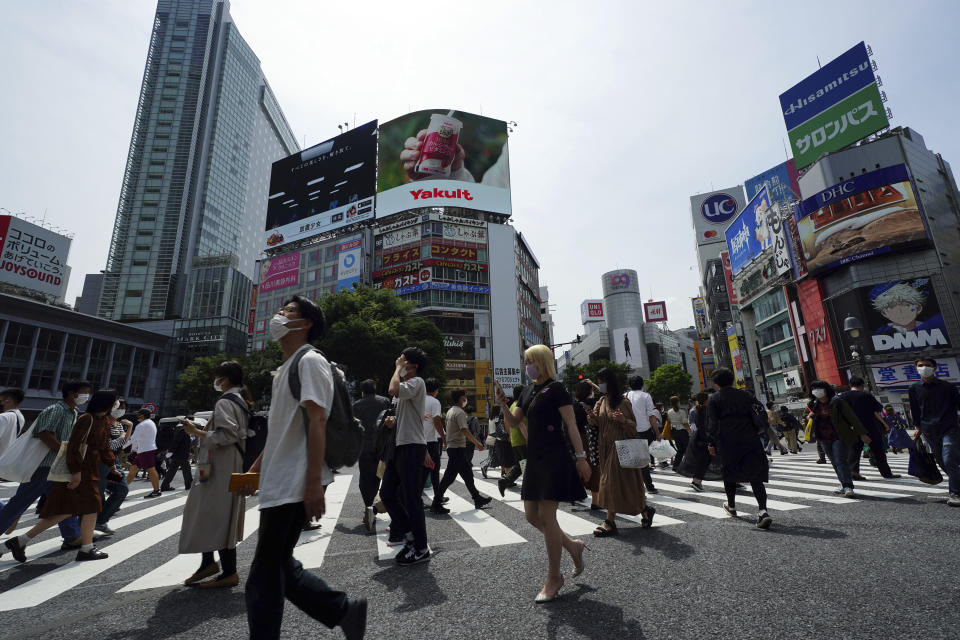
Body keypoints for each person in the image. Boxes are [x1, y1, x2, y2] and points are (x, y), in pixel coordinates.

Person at [240, 296, 366, 639]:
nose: (279, 316)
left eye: (289, 312)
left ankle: (341, 610)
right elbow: (283, 431)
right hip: (283, 478)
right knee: (279, 566)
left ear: (306, 323)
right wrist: (255, 468)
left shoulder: (309, 361)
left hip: (297, 480)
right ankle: (343, 609)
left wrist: (313, 483)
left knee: (264, 576)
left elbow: (318, 419)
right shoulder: (285, 368)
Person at [498, 344, 591, 603]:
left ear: (542, 362)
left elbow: (571, 424)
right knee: (531, 516)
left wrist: (581, 458)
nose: (527, 365)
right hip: (534, 457)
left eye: (531, 361)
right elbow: (515, 422)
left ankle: (554, 577)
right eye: (525, 361)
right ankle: (573, 546)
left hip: (554, 456)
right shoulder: (528, 390)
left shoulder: (557, 389)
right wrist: (503, 405)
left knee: (548, 517)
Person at [4, 390, 122, 562]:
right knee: (89, 507)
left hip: (90, 469)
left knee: (70, 510)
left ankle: (21, 540)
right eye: (115, 401)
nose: (116, 405)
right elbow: (73, 447)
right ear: (108, 403)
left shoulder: (103, 420)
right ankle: (86, 548)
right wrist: (76, 472)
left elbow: (104, 447)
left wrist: (112, 465)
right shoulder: (86, 419)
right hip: (81, 469)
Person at [177, 361, 252, 588]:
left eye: (218, 377)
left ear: (225, 379)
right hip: (226, 464)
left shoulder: (225, 402)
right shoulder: (241, 401)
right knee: (212, 513)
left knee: (215, 513)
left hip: (220, 466)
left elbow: (226, 435)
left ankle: (227, 570)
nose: (216, 382)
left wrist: (195, 431)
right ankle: (209, 563)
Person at [0, 380, 89, 553]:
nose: (86, 396)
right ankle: (71, 536)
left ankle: (72, 536)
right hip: (43, 465)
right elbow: (44, 433)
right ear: (72, 393)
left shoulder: (73, 412)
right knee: (19, 503)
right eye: (84, 392)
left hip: (55, 466)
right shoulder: (56, 409)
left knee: (64, 502)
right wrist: (64, 452)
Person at [381, 346, 433, 565]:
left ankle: (421, 547)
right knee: (387, 494)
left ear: (414, 366)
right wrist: (393, 423)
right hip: (400, 445)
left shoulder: (416, 383)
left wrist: (397, 369)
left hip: (412, 446)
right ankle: (410, 537)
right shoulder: (407, 386)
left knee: (412, 499)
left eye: (403, 360)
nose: (399, 362)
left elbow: (392, 389)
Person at [587, 368, 653, 537]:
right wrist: (591, 418)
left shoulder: (623, 402)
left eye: (601, 381)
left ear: (609, 382)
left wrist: (623, 420)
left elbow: (633, 427)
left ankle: (610, 521)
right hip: (606, 447)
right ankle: (645, 512)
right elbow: (596, 422)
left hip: (621, 447)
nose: (600, 385)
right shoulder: (601, 401)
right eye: (598, 381)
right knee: (628, 484)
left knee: (609, 483)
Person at [704, 369, 773, 529]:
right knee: (755, 474)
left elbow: (712, 424)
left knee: (729, 472)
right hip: (750, 437)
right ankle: (762, 511)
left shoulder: (714, 399)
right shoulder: (746, 395)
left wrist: (711, 443)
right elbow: (760, 412)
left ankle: (732, 506)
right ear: (733, 380)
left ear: (716, 383)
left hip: (727, 440)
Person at [908, 356, 960, 506]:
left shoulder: (947, 387)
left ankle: (955, 493)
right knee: (942, 461)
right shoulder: (914, 388)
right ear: (916, 368)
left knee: (949, 459)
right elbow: (915, 410)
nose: (924, 367)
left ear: (935, 368)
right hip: (929, 430)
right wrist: (917, 428)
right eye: (920, 365)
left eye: (927, 365)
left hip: (949, 427)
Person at [807, 380, 871, 498]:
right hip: (823, 437)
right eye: (814, 389)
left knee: (840, 460)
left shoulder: (837, 402)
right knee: (834, 462)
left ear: (826, 389)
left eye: (819, 388)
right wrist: (810, 416)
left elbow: (852, 417)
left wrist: (862, 433)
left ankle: (848, 486)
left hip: (839, 435)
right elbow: (811, 418)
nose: (816, 391)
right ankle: (843, 484)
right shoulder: (814, 404)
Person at [430, 390, 490, 514]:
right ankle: (436, 503)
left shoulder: (450, 411)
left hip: (454, 447)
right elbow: (464, 430)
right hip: (457, 448)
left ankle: (477, 498)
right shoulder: (460, 412)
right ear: (460, 398)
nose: (465, 400)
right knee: (449, 477)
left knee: (467, 475)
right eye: (464, 397)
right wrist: (477, 443)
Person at [841, 377, 900, 479]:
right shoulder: (865, 395)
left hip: (851, 427)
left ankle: (853, 471)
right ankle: (886, 473)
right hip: (869, 426)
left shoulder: (843, 396)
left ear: (850, 385)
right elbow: (877, 408)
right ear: (862, 385)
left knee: (854, 450)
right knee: (878, 450)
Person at [353, 379, 392, 532]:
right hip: (382, 448)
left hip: (364, 448)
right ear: (374, 389)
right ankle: (375, 506)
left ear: (362, 391)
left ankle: (369, 506)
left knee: (364, 481)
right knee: (380, 477)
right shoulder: (385, 401)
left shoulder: (356, 405)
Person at [95, 398, 132, 536]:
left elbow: (122, 443)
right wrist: (122, 437)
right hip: (102, 461)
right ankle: (88, 525)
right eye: (118, 407)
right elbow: (110, 445)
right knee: (98, 493)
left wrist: (129, 428)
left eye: (123, 407)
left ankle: (101, 520)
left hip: (113, 460)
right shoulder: (103, 421)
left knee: (122, 489)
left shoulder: (118, 423)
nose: (120, 410)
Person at [625, 376, 660, 493]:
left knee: (633, 459)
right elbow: (651, 416)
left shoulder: (625, 396)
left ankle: (633, 486)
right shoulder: (646, 396)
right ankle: (649, 486)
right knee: (643, 460)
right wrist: (657, 432)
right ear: (642, 384)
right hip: (644, 430)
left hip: (629, 430)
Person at [498, 385, 529, 497]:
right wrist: (527, 438)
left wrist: (511, 436)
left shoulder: (512, 406)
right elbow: (521, 424)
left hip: (515, 440)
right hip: (522, 440)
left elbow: (507, 422)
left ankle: (505, 481)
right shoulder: (520, 406)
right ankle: (529, 490)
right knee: (527, 465)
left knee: (520, 465)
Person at [574, 381, 601, 508]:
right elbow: (604, 394)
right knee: (595, 468)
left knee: (580, 465)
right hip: (591, 437)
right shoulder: (594, 402)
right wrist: (592, 383)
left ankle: (577, 492)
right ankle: (596, 501)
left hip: (577, 439)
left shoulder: (574, 405)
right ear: (590, 391)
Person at [679, 392, 712, 492]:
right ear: (706, 400)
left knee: (704, 461)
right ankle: (696, 482)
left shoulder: (696, 410)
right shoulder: (707, 410)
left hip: (699, 438)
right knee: (706, 461)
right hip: (706, 438)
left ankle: (697, 481)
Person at [126, 409, 161, 498]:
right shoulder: (150, 423)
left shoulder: (142, 425)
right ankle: (123, 489)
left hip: (145, 451)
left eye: (138, 414)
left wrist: (121, 447)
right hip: (144, 450)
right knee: (133, 469)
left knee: (151, 470)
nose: (136, 416)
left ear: (142, 416)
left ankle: (156, 491)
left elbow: (133, 438)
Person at [422, 378, 445, 496]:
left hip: (418, 442)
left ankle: (417, 498)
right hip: (430, 442)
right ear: (436, 390)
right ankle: (438, 498)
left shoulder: (418, 400)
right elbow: (437, 421)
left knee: (423, 470)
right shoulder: (434, 402)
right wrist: (444, 438)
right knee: (434, 469)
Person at [160, 416, 195, 492]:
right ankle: (188, 485)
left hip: (179, 455)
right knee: (186, 470)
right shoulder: (183, 430)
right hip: (181, 455)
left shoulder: (186, 430)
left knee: (172, 471)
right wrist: (170, 452)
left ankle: (165, 486)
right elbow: (176, 442)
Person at [666, 396, 690, 470]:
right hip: (682, 431)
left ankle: (676, 465)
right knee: (686, 449)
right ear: (677, 402)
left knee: (680, 449)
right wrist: (690, 431)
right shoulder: (681, 411)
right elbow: (685, 423)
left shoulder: (669, 411)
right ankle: (688, 465)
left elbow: (669, 421)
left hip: (674, 431)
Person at [0, 387, 25, 454]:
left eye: (1, 401)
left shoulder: (3, 417)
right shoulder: (20, 417)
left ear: (8, 400)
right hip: (5, 459)